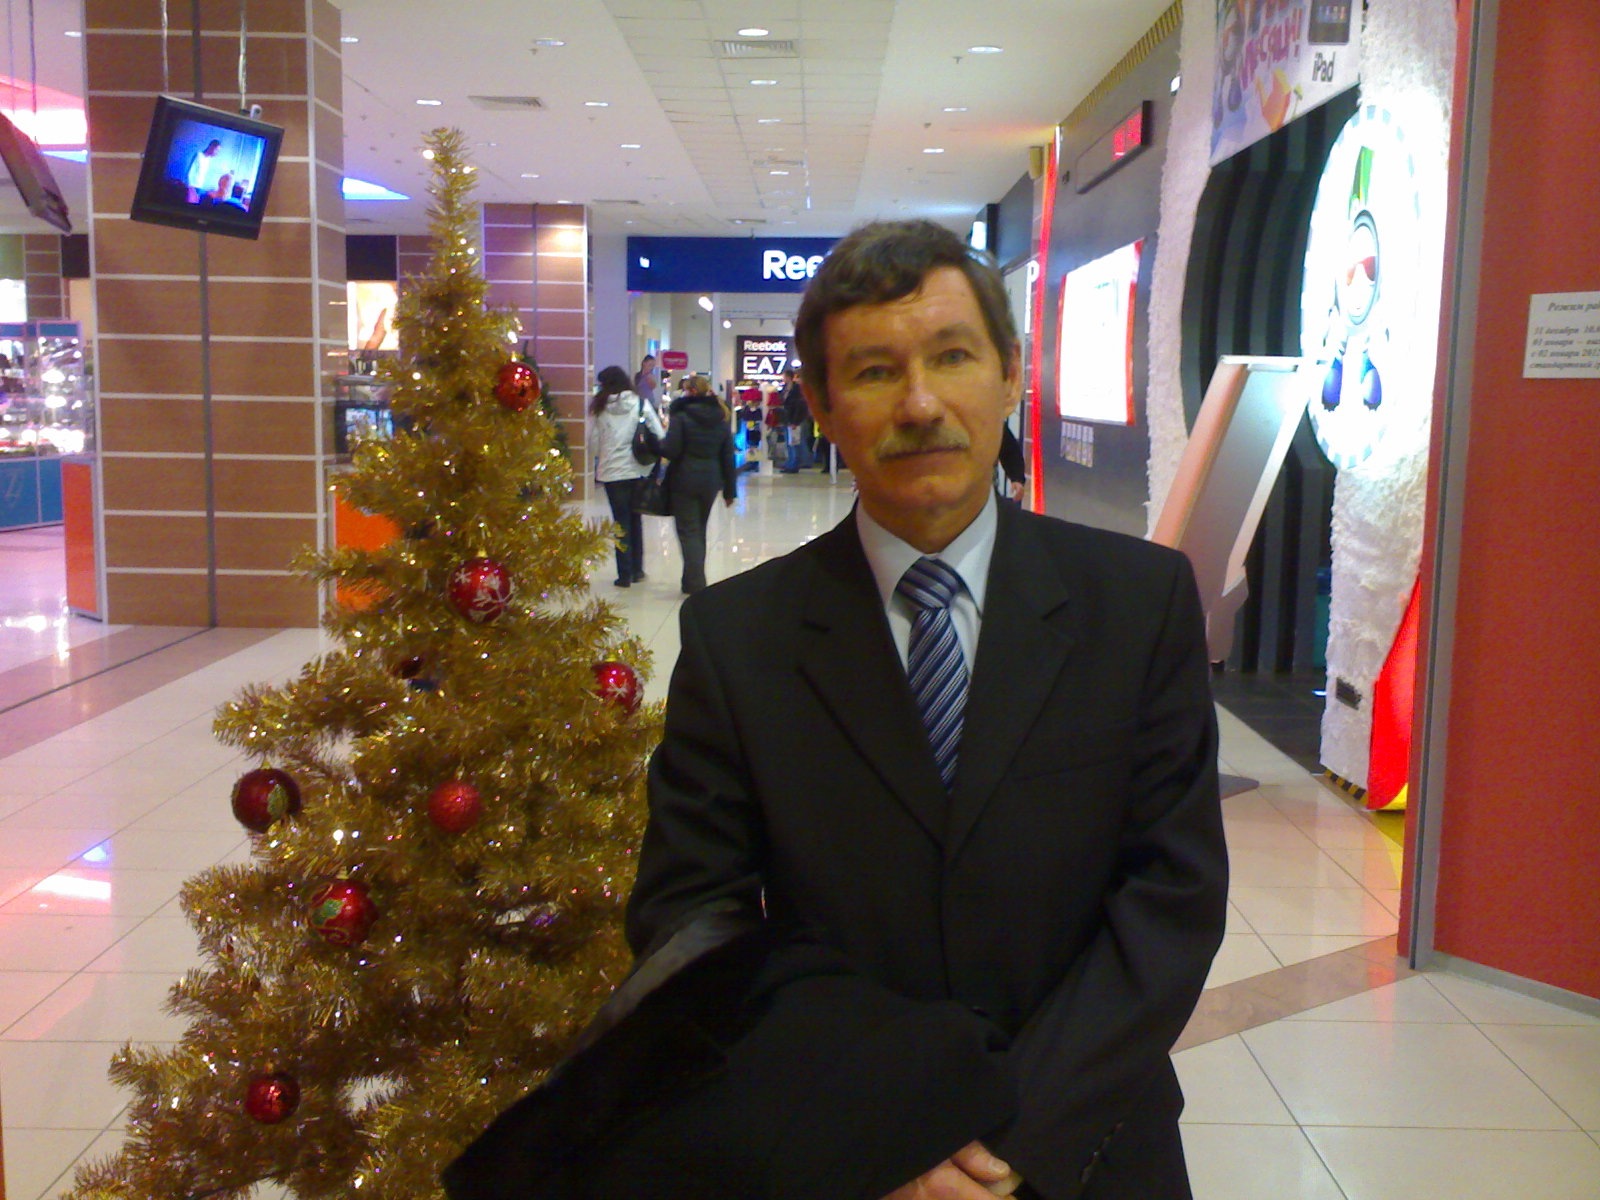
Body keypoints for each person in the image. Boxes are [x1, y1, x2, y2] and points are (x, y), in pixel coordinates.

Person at [626, 220, 1227, 1199]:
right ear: (821, 405)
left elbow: (1172, 896)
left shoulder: (1137, 605)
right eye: (873, 372)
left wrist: (1017, 1134)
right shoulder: (740, 639)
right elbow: (691, 920)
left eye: (951, 356)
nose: (919, 403)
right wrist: (871, 1133)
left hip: (1087, 1145)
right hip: (844, 1160)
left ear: (1009, 373)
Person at [660, 375, 737, 595]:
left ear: (692, 391)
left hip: (684, 479)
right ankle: (689, 581)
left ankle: (696, 585)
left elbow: (671, 449)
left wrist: (654, 445)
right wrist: (730, 490)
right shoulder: (721, 416)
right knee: (698, 529)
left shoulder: (681, 416)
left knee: (688, 531)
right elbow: (727, 456)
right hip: (711, 480)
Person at [590, 364, 663, 587]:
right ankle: (637, 570)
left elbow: (593, 443)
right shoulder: (640, 403)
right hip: (637, 470)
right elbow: (659, 434)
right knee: (635, 518)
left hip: (612, 472)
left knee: (620, 522)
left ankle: (624, 575)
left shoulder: (600, 408)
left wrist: (604, 454)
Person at [777, 366, 812, 472]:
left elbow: (800, 406)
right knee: (789, 442)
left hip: (794, 419)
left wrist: (795, 421)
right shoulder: (785, 389)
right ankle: (790, 462)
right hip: (786, 418)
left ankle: (794, 464)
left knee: (795, 442)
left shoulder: (797, 389)